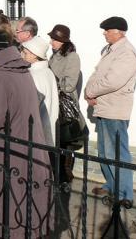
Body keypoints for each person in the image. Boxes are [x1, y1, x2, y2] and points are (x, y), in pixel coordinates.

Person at [0, 32, 52, 238]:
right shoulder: (18, 70)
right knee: (23, 209)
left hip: (10, 156)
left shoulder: (0, 77)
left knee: (11, 211)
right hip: (23, 149)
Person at [85, 16, 136, 207]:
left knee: (117, 153)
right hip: (105, 108)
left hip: (115, 111)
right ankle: (112, 185)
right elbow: (98, 73)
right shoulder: (111, 50)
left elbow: (113, 81)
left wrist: (90, 91)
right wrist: (88, 91)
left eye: (107, 30)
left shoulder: (126, 53)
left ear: (118, 32)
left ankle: (125, 194)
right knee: (105, 151)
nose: (104, 33)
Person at [48, 24, 84, 182]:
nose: (51, 42)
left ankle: (65, 173)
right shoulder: (53, 55)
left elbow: (69, 84)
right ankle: (55, 171)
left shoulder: (72, 57)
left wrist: (51, 82)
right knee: (55, 137)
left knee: (66, 139)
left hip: (64, 104)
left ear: (63, 41)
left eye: (54, 39)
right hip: (52, 102)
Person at [21, 36, 59, 147]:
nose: (22, 55)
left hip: (36, 129)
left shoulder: (34, 75)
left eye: (25, 53)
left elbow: (30, 105)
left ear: (34, 55)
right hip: (46, 125)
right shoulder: (47, 72)